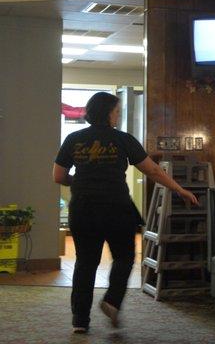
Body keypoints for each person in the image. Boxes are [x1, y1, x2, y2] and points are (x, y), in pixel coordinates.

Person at [53, 92, 199, 334]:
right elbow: (152, 170)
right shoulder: (123, 139)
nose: (118, 115)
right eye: (117, 111)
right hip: (116, 207)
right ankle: (111, 301)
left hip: (83, 208)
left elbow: (58, 177)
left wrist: (82, 182)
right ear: (109, 113)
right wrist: (179, 190)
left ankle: (80, 320)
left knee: (86, 263)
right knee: (124, 257)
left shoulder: (73, 139)